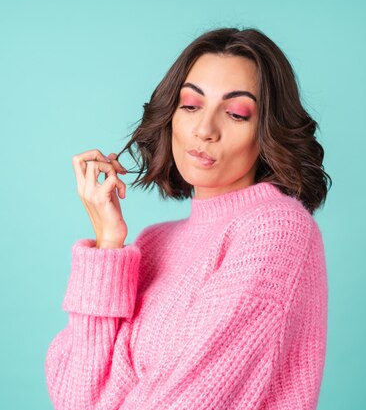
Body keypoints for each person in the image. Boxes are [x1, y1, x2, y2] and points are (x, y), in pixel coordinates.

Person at [45, 27, 332, 409]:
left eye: (236, 113)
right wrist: (108, 246)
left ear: (266, 131)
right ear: (171, 115)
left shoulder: (277, 230)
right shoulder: (153, 243)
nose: (204, 130)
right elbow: (74, 397)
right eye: (191, 106)